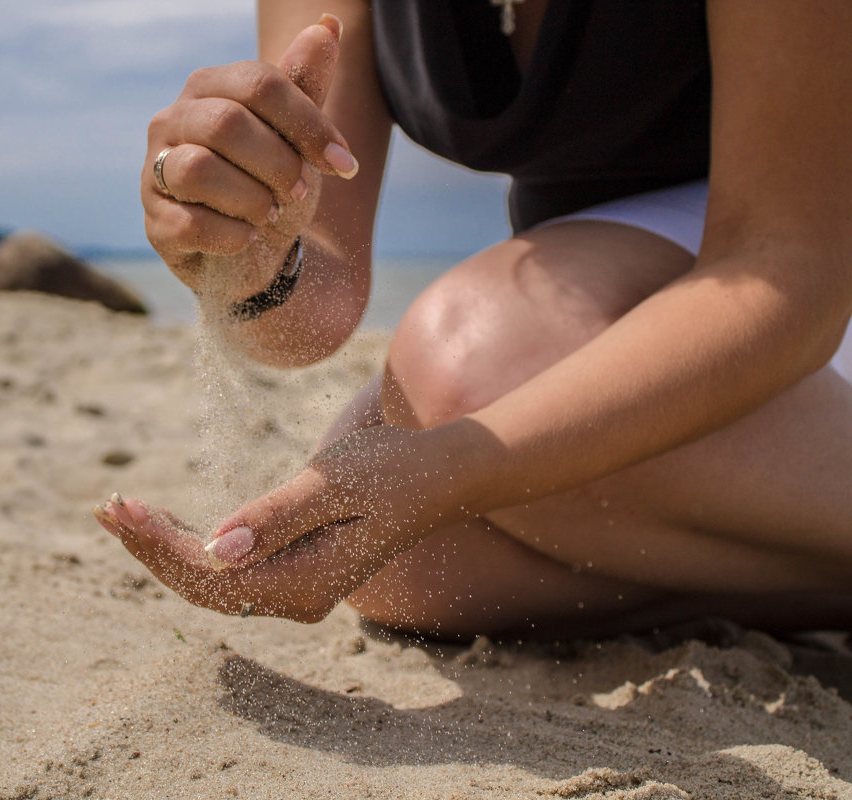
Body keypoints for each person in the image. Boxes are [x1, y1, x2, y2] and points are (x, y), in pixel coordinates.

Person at [93, 1, 852, 640]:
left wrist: (456, 466)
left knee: (469, 374)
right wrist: (247, 251)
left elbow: (792, 271)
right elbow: (312, 307)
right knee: (403, 569)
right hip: (633, 269)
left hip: (815, 240)